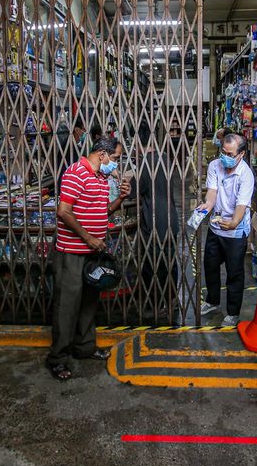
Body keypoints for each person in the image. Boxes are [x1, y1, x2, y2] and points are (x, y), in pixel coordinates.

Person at [48, 136, 130, 381]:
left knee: (88, 304)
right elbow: (63, 211)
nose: (115, 164)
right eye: (114, 158)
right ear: (102, 155)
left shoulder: (101, 178)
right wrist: (88, 238)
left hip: (92, 255)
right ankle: (58, 359)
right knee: (67, 307)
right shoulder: (75, 173)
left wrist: (120, 199)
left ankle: (84, 348)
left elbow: (102, 211)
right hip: (71, 253)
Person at [198, 132, 255, 327]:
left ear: (241, 154)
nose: (225, 157)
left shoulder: (246, 175)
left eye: (230, 154)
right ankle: (212, 301)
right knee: (210, 266)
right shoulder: (215, 166)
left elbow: (241, 206)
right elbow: (212, 192)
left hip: (235, 232)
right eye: (223, 152)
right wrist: (207, 205)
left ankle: (233, 312)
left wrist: (234, 223)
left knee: (234, 273)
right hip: (216, 227)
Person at [135, 122, 180, 319]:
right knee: (169, 263)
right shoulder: (164, 159)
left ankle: (157, 304)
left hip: (155, 222)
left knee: (153, 265)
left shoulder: (145, 163)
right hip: (170, 220)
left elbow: (137, 192)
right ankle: (171, 301)